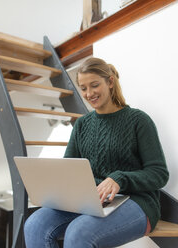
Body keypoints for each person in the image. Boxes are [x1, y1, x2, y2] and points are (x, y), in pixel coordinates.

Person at [24, 57, 169, 248]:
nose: (89, 93)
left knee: (78, 233)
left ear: (109, 82)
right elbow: (69, 167)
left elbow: (159, 174)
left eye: (94, 85)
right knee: (34, 224)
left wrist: (119, 178)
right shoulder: (83, 124)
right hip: (90, 200)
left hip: (136, 202)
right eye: (83, 88)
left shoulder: (138, 121)